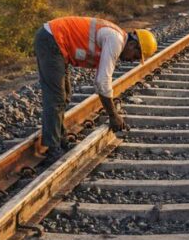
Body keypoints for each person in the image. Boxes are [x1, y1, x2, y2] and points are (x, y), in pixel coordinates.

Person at [34, 16, 157, 152]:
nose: (132, 60)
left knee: (64, 95)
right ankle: (53, 149)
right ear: (133, 45)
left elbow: (100, 80)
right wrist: (113, 115)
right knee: (56, 97)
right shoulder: (115, 41)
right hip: (52, 38)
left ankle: (60, 140)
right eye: (135, 56)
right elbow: (102, 81)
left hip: (57, 41)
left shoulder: (116, 38)